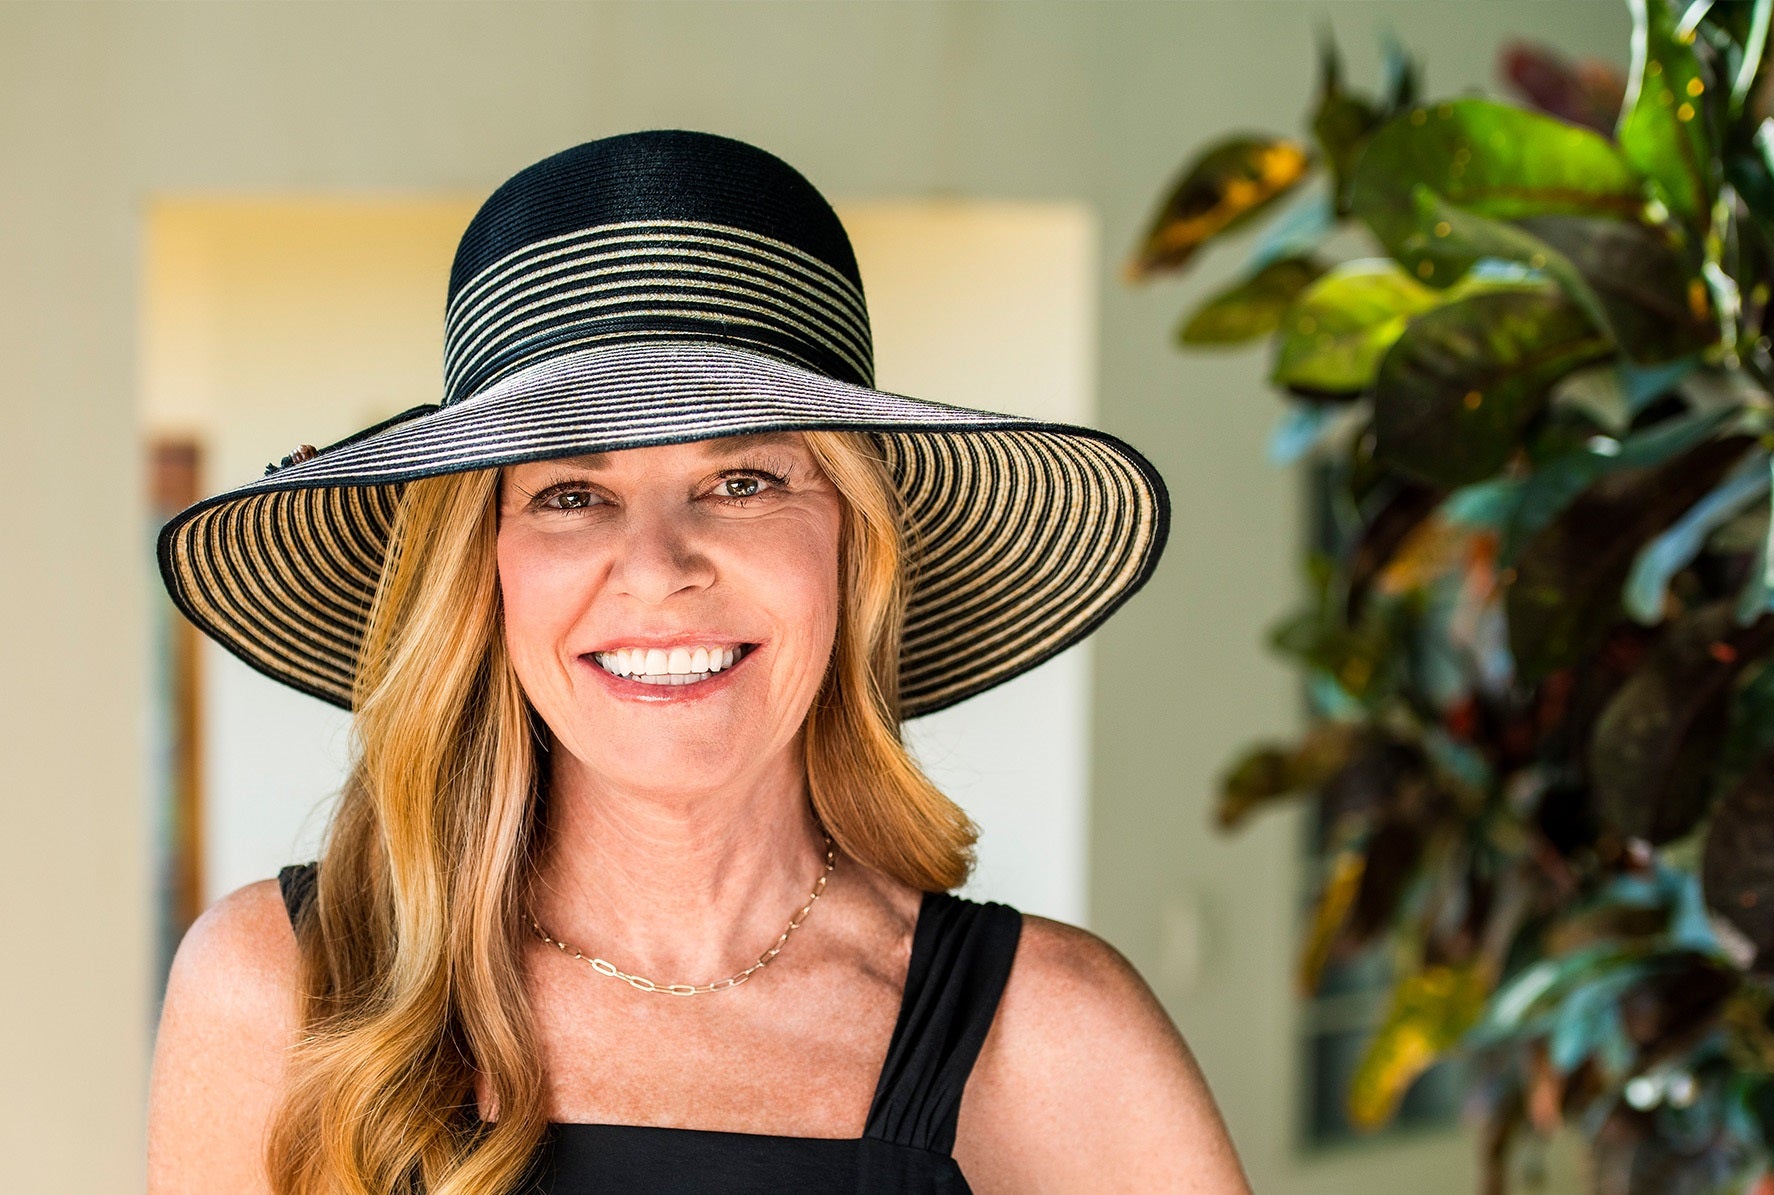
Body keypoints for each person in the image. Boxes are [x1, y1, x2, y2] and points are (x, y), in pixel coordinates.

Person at [145, 129, 1250, 1194]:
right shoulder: (282, 992)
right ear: (482, 575)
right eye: (571, 494)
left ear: (852, 546)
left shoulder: (1053, 1036)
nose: (658, 566)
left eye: (744, 482)